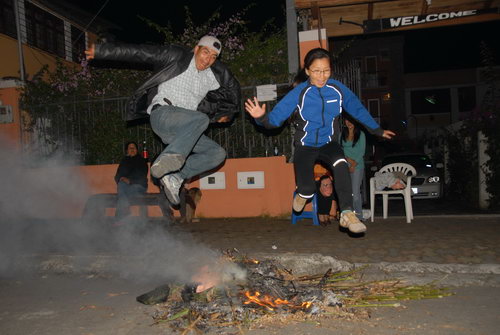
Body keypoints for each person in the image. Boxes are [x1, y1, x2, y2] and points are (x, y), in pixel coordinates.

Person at [245, 48, 395, 234]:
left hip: (329, 143)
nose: (321, 76)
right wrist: (261, 118)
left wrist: (377, 130)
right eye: (316, 71)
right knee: (308, 190)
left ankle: (347, 214)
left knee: (341, 164)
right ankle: (303, 194)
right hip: (305, 146)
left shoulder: (338, 90)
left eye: (326, 70)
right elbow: (275, 120)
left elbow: (357, 109)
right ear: (307, 71)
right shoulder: (299, 93)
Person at [86, 35, 241, 205]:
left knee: (217, 153)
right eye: (205, 53)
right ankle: (168, 159)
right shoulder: (177, 57)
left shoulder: (212, 77)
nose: (208, 60)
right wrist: (103, 51)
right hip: (163, 115)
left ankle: (175, 177)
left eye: (213, 57)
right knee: (201, 119)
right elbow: (142, 53)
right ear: (196, 49)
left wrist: (227, 114)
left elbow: (232, 91)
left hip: (184, 130)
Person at [114, 141, 149, 223]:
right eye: (130, 148)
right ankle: (124, 213)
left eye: (134, 148)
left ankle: (120, 216)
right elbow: (117, 176)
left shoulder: (141, 161)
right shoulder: (124, 161)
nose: (132, 149)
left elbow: (142, 177)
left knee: (123, 192)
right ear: (127, 150)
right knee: (121, 184)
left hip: (139, 186)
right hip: (125, 187)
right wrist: (121, 179)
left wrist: (130, 181)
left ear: (137, 150)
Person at [341, 113, 366, 220]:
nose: (349, 122)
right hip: (345, 165)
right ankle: (349, 216)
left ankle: (359, 217)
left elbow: (362, 152)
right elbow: (341, 149)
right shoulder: (342, 134)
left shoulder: (361, 134)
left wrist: (353, 164)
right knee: (347, 192)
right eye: (347, 120)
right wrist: (348, 160)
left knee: (355, 193)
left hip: (358, 166)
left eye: (351, 120)